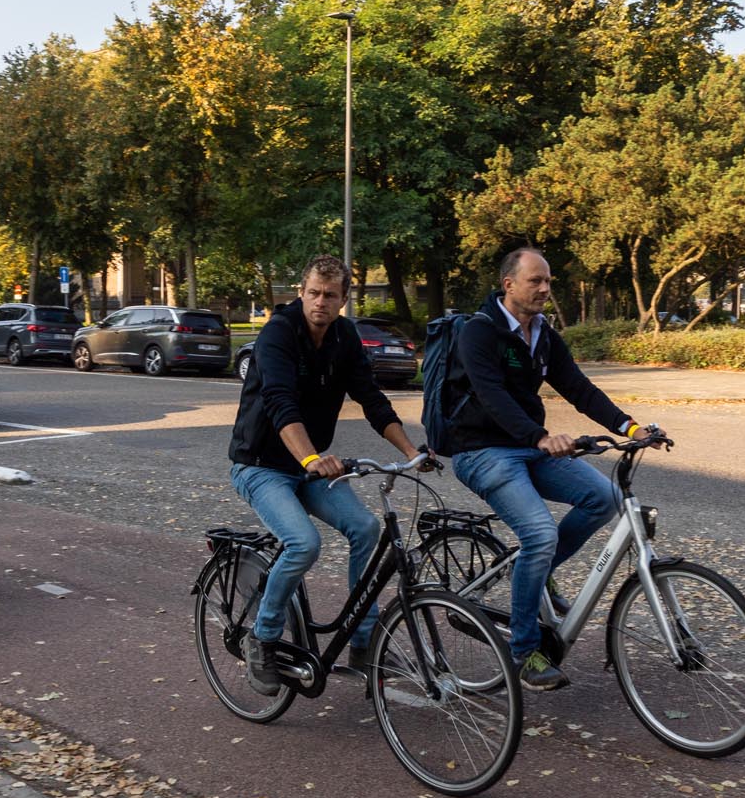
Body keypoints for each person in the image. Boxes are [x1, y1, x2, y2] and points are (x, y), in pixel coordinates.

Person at [434, 248, 659, 691]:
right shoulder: (479, 333)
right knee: (539, 533)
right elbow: (491, 395)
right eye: (536, 281)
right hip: (480, 450)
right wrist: (539, 436)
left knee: (604, 498)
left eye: (548, 281)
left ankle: (537, 571)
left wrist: (629, 426)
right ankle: (525, 652)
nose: (544, 289)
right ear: (509, 285)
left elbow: (578, 387)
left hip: (526, 445)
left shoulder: (543, 335)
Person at [228, 255, 426, 695]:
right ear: (301, 292)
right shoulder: (277, 334)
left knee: (366, 527)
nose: (320, 301)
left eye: (330, 295)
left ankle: (363, 642)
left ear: (343, 300)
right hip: (260, 466)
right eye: (313, 293)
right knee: (303, 543)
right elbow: (280, 402)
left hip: (308, 466)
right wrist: (309, 459)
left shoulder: (344, 336)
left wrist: (413, 452)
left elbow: (372, 400)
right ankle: (261, 638)